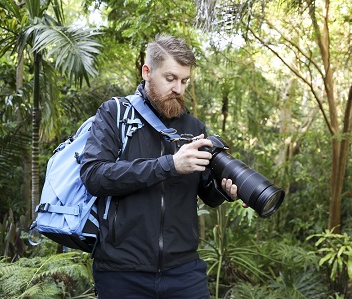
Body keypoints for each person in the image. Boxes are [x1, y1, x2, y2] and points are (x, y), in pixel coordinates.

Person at [80, 34, 241, 298]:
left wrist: (223, 190)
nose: (178, 88)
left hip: (184, 271)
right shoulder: (114, 114)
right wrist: (170, 165)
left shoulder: (193, 127)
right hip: (122, 271)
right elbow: (94, 175)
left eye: (184, 81)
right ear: (147, 71)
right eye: (170, 78)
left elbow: (204, 193)